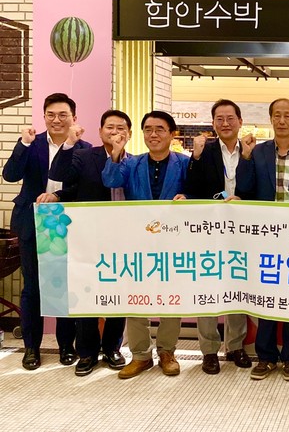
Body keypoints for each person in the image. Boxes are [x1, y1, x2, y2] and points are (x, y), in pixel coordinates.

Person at [2, 92, 91, 370]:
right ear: (44, 117)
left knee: (63, 286)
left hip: (65, 222)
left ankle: (66, 346)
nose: (56, 120)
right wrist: (23, 144)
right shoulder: (32, 143)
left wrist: (59, 196)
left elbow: (80, 186)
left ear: (74, 118)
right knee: (32, 286)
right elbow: (10, 175)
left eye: (63, 114)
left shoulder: (84, 147)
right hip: (31, 222)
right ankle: (31, 348)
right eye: (51, 114)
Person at [235, 98, 289, 382]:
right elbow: (245, 188)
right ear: (270, 119)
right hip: (266, 237)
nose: (282, 121)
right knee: (267, 297)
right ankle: (266, 356)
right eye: (277, 115)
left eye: (287, 115)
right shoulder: (257, 152)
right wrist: (245, 158)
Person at [102, 110, 189, 379]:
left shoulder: (185, 163)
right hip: (137, 242)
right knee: (135, 297)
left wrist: (187, 197)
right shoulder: (132, 163)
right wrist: (116, 152)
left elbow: (203, 192)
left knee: (172, 298)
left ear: (172, 134)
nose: (153, 134)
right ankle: (140, 355)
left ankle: (167, 352)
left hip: (173, 242)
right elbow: (110, 180)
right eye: (148, 129)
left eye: (160, 129)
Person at [50, 110, 132, 376]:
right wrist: (69, 143)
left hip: (122, 239)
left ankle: (112, 348)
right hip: (88, 237)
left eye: (121, 127)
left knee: (119, 294)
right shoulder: (84, 156)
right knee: (87, 293)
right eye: (110, 127)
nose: (115, 132)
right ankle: (86, 353)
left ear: (129, 134)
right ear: (100, 132)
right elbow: (60, 175)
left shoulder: (135, 162)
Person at [183, 99, 252, 375]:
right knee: (208, 288)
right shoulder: (205, 151)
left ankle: (235, 346)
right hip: (209, 230)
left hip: (242, 232)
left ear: (240, 121)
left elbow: (256, 187)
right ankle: (209, 350)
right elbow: (193, 188)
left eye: (230, 118)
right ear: (213, 123)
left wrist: (241, 198)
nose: (225, 123)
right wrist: (196, 158)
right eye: (219, 119)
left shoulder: (250, 152)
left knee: (237, 287)